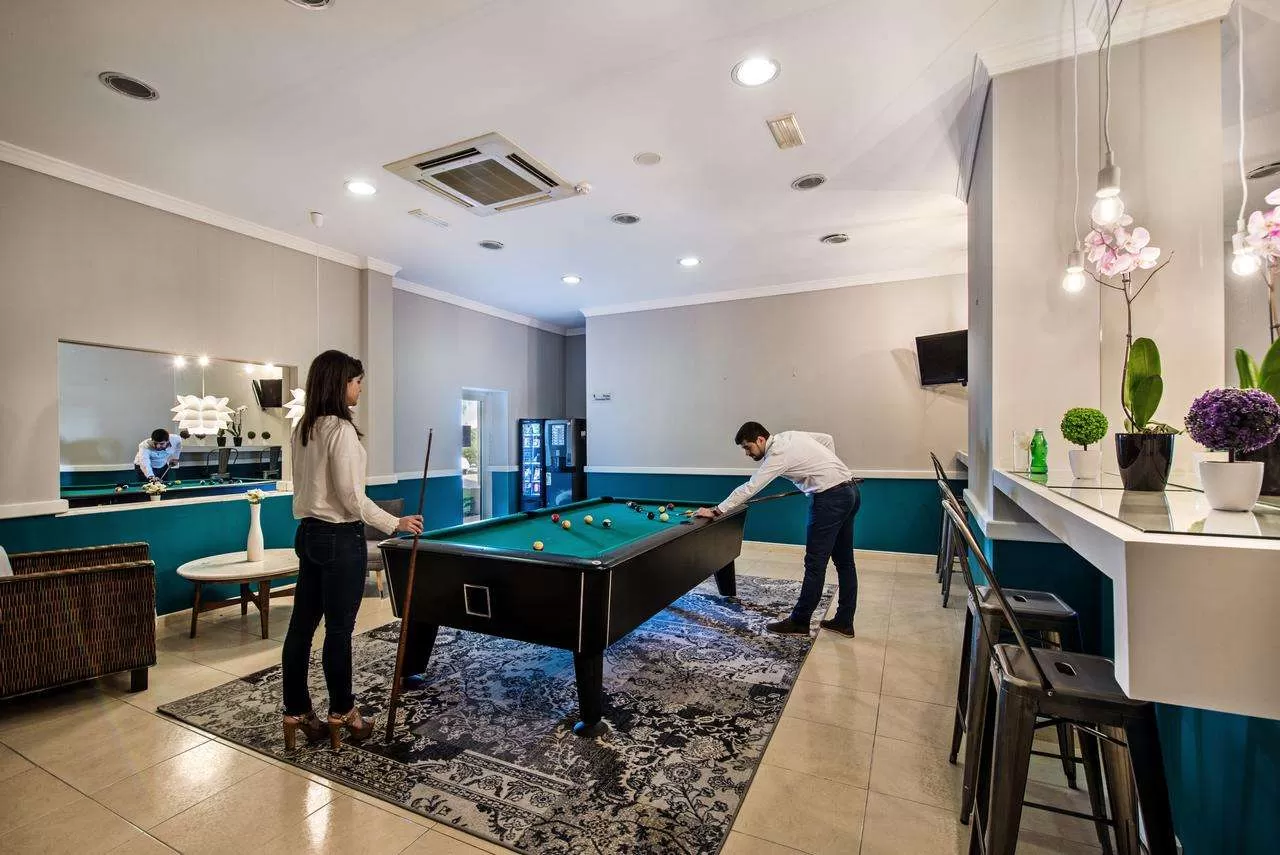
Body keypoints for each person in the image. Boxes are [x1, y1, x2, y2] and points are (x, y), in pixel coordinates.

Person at [281, 349, 424, 750]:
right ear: (340, 383)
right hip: (339, 539)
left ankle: (296, 711)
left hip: (308, 534)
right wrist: (394, 523)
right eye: (357, 381)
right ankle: (344, 712)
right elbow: (351, 497)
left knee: (301, 628)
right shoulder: (340, 430)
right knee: (339, 630)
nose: (360, 388)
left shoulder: (304, 427)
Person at [695, 422, 861, 637]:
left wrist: (717, 510)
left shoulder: (777, 454)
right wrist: (830, 473)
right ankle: (844, 621)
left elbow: (751, 487)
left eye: (747, 447)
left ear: (760, 440)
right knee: (845, 562)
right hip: (850, 491)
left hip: (830, 501)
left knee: (815, 563)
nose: (747, 453)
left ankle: (799, 622)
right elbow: (827, 439)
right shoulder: (790, 436)